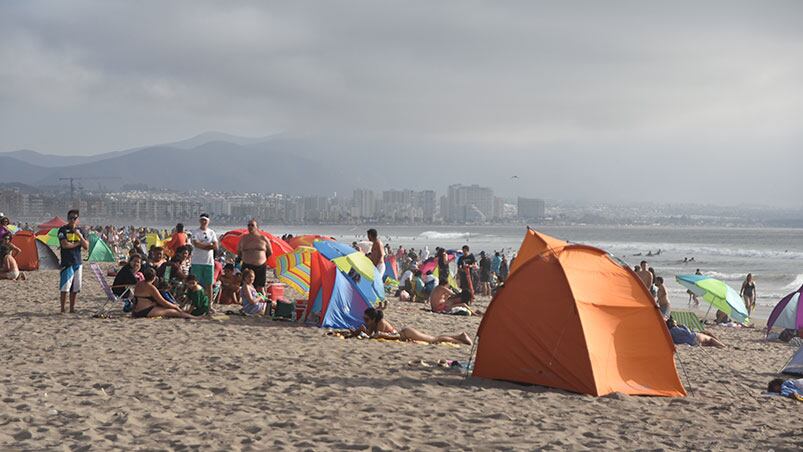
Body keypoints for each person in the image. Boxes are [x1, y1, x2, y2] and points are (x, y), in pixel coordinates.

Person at [351, 307, 472, 345]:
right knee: (435, 338)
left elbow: (379, 336)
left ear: (372, 318)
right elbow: (368, 335)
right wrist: (357, 332)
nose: (364, 320)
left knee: (434, 340)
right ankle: (459, 336)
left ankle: (460, 339)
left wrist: (370, 334)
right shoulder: (372, 324)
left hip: (406, 333)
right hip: (404, 334)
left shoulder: (381, 323)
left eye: (366, 319)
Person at [130, 268, 198, 319]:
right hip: (146, 311)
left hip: (137, 311)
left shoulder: (138, 284)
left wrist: (133, 313)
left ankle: (191, 315)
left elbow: (135, 299)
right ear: (154, 277)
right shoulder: (151, 288)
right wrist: (175, 307)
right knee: (173, 312)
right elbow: (163, 302)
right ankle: (195, 318)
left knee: (170, 310)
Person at [57, 210, 89, 313]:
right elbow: (65, 245)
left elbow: (86, 246)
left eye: (74, 218)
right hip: (67, 262)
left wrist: (79, 236)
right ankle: (62, 308)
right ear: (67, 218)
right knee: (65, 287)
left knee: (75, 288)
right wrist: (78, 244)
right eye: (70, 218)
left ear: (78, 219)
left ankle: (72, 308)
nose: (72, 220)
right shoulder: (63, 230)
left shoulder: (81, 230)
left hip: (77, 262)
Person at [237, 218, 272, 293]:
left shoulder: (263, 238)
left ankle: (263, 304)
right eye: (248, 225)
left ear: (257, 227)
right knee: (245, 287)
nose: (250, 227)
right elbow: (239, 252)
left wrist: (260, 258)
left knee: (260, 288)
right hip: (246, 265)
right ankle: (247, 303)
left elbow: (270, 252)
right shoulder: (243, 238)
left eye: (252, 225)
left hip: (260, 266)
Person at [190, 213, 218, 302]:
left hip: (208, 262)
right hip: (197, 262)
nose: (203, 222)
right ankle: (196, 302)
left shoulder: (211, 232)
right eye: (202, 220)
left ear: (208, 221)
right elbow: (196, 244)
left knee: (209, 284)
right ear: (199, 221)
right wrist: (208, 246)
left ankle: (209, 304)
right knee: (195, 283)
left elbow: (215, 246)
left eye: (205, 220)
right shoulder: (195, 232)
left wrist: (204, 246)